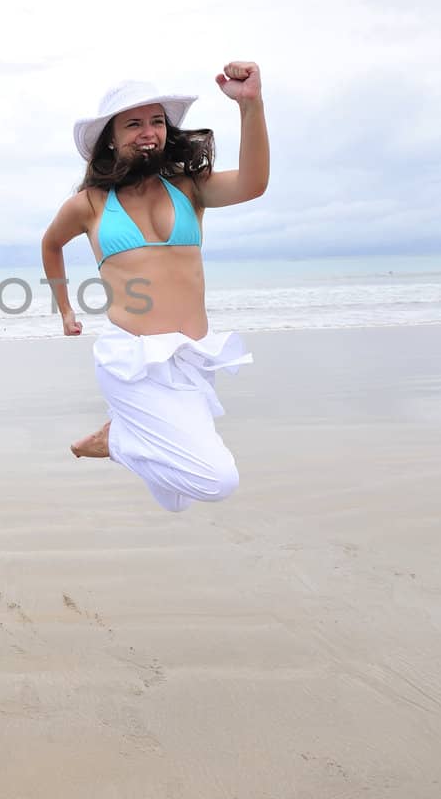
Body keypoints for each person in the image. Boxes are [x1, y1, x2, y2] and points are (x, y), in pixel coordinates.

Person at [39, 64, 269, 512]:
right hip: (132, 362)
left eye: (157, 121)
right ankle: (119, 440)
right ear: (111, 136)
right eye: (134, 123)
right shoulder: (88, 205)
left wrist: (250, 105)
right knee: (218, 480)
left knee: (177, 499)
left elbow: (253, 184)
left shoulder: (190, 188)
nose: (149, 132)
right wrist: (64, 309)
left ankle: (120, 436)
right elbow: (50, 245)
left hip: (191, 359)